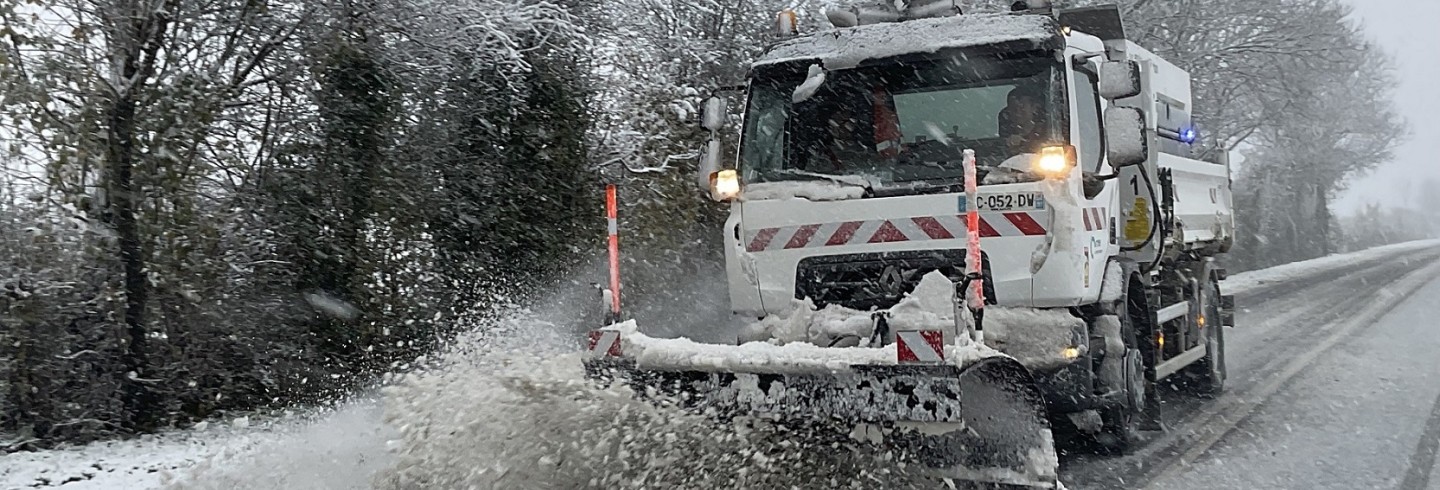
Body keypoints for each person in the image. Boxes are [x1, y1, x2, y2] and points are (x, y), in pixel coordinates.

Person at [998, 85, 1047, 156]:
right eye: (1013, 108)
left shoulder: (1049, 132)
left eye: (1022, 107)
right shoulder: (1004, 138)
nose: (1018, 112)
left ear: (1034, 108)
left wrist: (1026, 144)